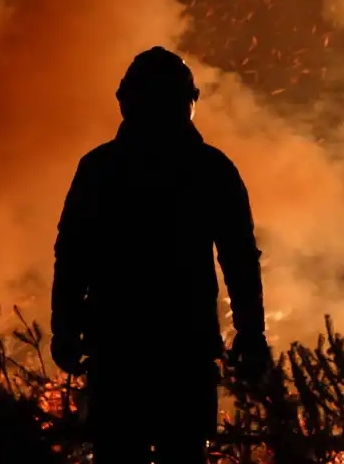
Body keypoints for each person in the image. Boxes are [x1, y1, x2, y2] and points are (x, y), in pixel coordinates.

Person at [49, 46, 271, 464]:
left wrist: (65, 328)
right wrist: (251, 336)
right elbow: (240, 260)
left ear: (125, 101)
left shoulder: (101, 168)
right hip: (182, 352)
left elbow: (72, 255)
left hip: (119, 349)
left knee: (120, 451)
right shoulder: (210, 169)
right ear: (189, 102)